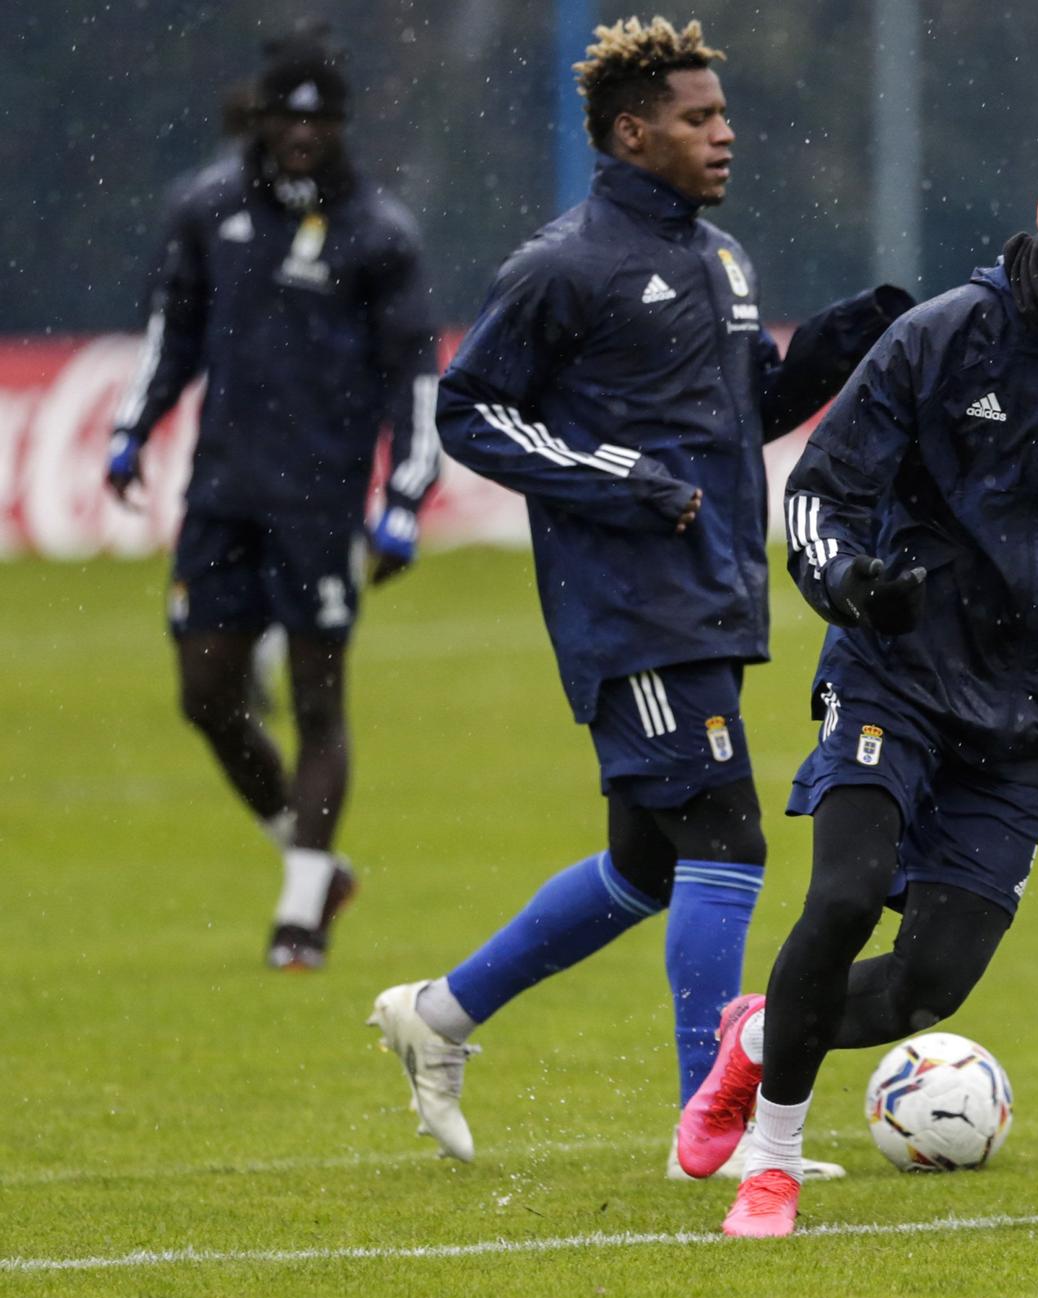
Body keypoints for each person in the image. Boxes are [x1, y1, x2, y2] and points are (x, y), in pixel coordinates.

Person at [366, 17, 908, 1177]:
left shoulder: (719, 258)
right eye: (698, 117)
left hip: (706, 592)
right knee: (729, 843)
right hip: (630, 602)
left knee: (648, 868)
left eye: (721, 113)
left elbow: (739, 414)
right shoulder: (565, 265)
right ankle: (701, 1127)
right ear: (631, 132)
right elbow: (473, 409)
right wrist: (618, 476)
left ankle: (440, 1015)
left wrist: (843, 344)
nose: (724, 133)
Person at [672, 131, 1038, 1237]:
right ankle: (772, 1165)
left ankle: (753, 1036)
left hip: (1033, 720)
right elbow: (817, 497)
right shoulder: (938, 340)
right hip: (898, 679)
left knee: (929, 986)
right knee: (841, 893)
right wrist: (849, 586)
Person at [107, 22, 439, 971]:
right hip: (221, 491)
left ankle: (299, 917)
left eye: (320, 122)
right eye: (286, 122)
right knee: (205, 694)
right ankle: (314, 859)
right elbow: (173, 331)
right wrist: (133, 427)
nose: (301, 137)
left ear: (340, 127)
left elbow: (415, 372)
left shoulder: (381, 234)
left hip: (320, 504)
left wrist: (406, 493)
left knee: (318, 700)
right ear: (258, 120)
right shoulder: (207, 211)